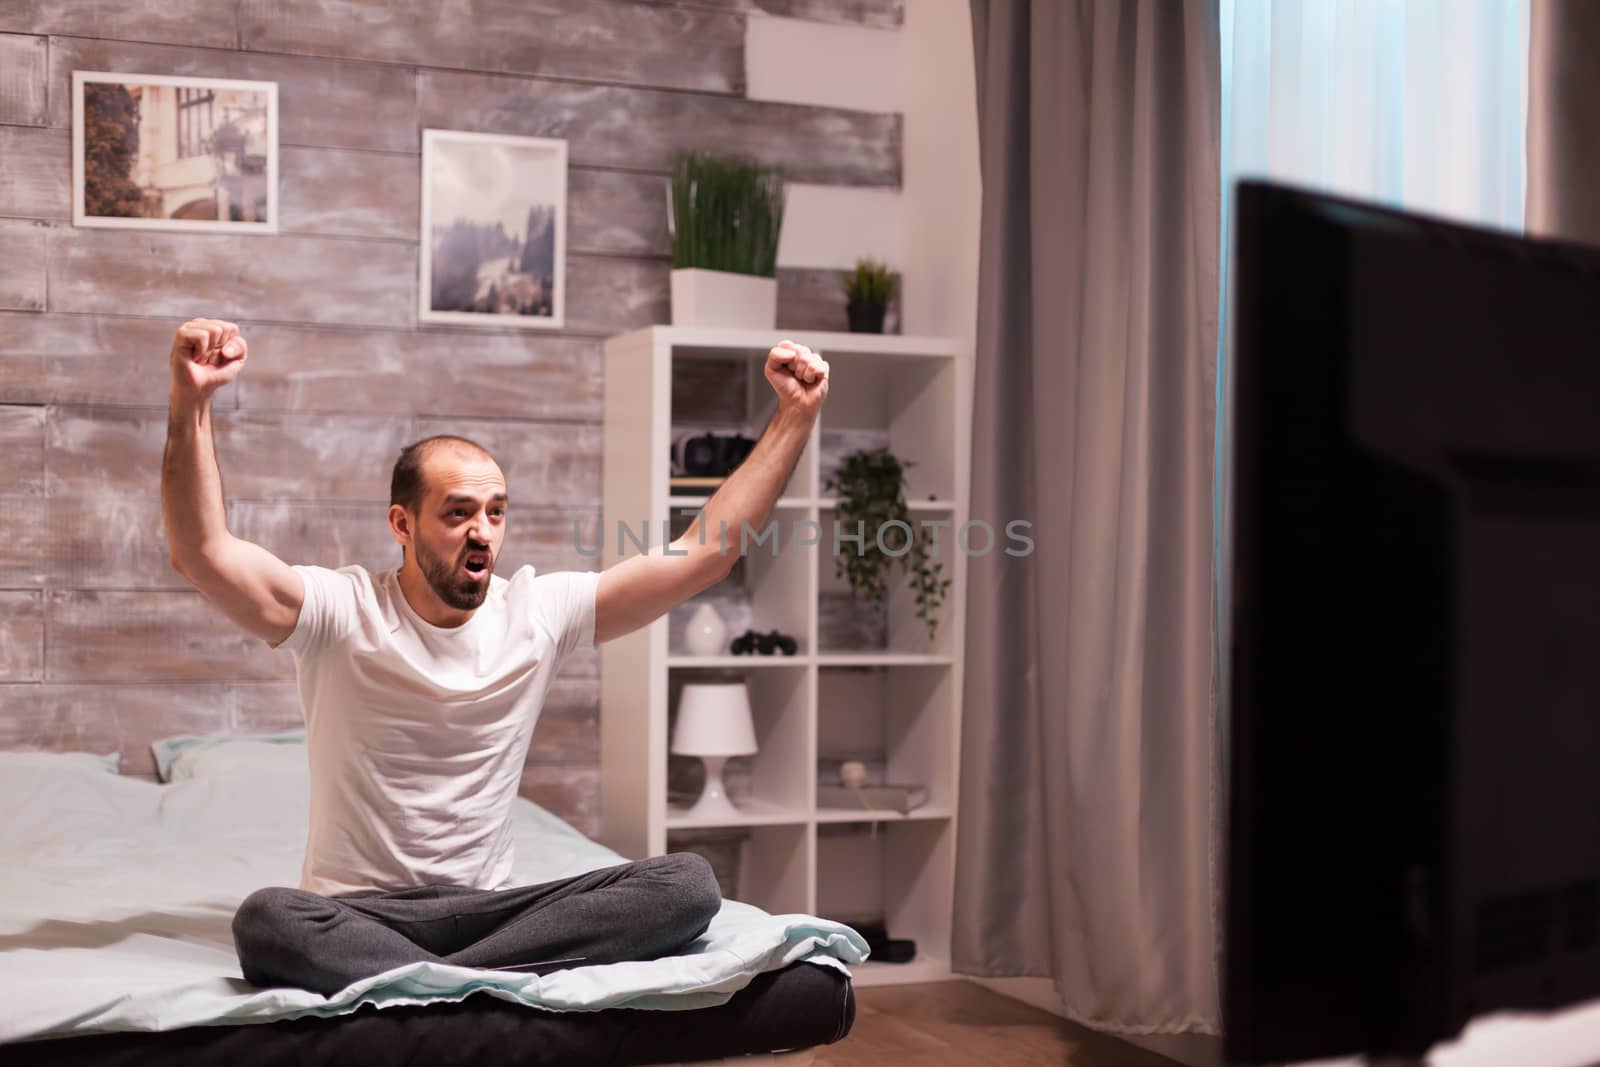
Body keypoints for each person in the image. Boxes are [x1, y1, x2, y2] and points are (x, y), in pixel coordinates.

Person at [160, 317, 830, 996]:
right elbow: (203, 552)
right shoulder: (341, 609)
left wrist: (795, 416)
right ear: (402, 523)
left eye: (496, 511)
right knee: (269, 919)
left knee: (687, 884)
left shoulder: (537, 611)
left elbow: (706, 552)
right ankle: (484, 981)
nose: (482, 531)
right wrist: (192, 402)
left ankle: (438, 981)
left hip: (490, 912)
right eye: (457, 513)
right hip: (358, 910)